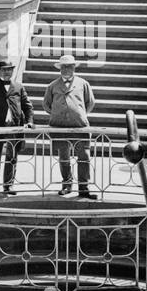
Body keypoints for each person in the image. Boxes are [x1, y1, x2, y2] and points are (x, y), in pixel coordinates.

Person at [42, 53, 97, 199]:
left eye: (69, 66)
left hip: (79, 127)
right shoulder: (52, 86)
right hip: (59, 127)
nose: (66, 69)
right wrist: (58, 114)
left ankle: (84, 187)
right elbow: (46, 105)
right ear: (59, 69)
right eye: (64, 67)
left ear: (74, 68)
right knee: (64, 157)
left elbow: (90, 103)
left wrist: (78, 114)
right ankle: (66, 185)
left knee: (84, 156)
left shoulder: (83, 83)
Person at [0, 59, 33, 197]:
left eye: (9, 69)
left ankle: (8, 186)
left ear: (12, 71)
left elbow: (27, 106)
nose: (7, 72)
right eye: (4, 70)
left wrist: (29, 122)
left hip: (14, 127)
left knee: (12, 157)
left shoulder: (18, 87)